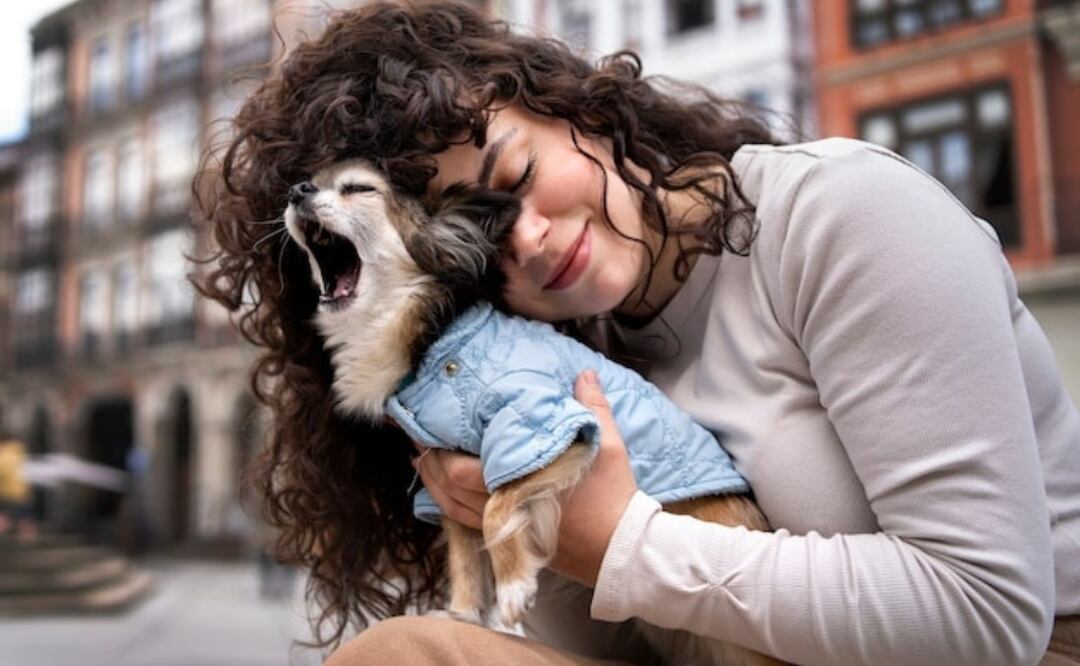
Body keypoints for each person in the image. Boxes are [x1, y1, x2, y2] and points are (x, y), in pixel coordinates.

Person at [194, 2, 1080, 664]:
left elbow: (988, 614)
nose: (529, 239)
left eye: (516, 175)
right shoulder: (566, 356)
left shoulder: (841, 212)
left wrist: (624, 541)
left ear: (569, 103)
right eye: (477, 241)